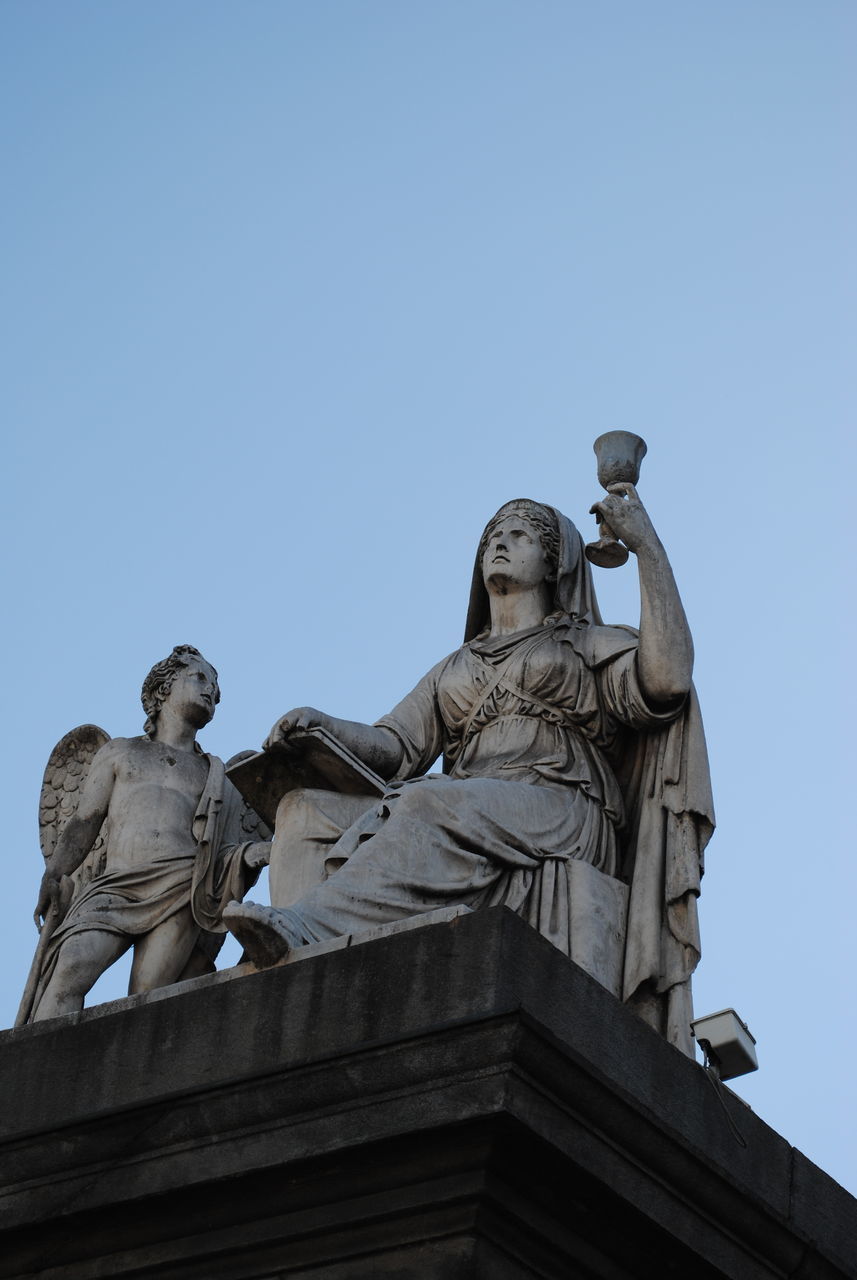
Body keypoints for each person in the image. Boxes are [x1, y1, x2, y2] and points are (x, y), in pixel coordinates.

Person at [225, 488, 713, 1053]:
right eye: (492, 537)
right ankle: (292, 977)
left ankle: (308, 928)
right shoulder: (455, 667)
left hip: (561, 806)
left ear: (556, 563)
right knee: (304, 811)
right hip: (467, 805)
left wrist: (646, 546)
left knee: (428, 799)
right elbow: (393, 745)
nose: (500, 543)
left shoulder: (586, 643)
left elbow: (667, 680)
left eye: (520, 535)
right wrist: (324, 726)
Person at [25, 646, 270, 1022]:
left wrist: (251, 854)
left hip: (182, 889)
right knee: (68, 973)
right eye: (200, 678)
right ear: (163, 689)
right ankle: (39, 1071)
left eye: (217, 691)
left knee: (147, 999)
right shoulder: (120, 753)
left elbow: (226, 848)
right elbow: (84, 822)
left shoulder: (217, 774)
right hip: (114, 886)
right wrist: (55, 871)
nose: (211, 692)